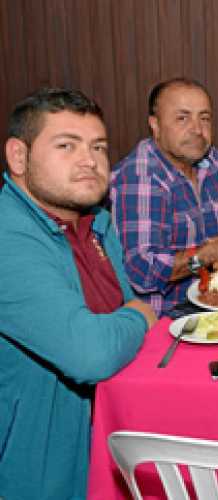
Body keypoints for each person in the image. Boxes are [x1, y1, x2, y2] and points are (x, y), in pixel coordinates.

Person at [0, 88, 156, 499]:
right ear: (18, 157)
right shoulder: (8, 236)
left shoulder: (96, 224)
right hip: (37, 477)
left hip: (106, 451)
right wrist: (141, 316)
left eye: (98, 147)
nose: (89, 160)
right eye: (66, 146)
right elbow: (90, 353)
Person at [110, 77, 218, 315]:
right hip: (170, 320)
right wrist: (214, 253)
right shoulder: (140, 176)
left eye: (204, 118)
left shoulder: (211, 159)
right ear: (154, 126)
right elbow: (144, 272)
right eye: (182, 118)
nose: (197, 130)